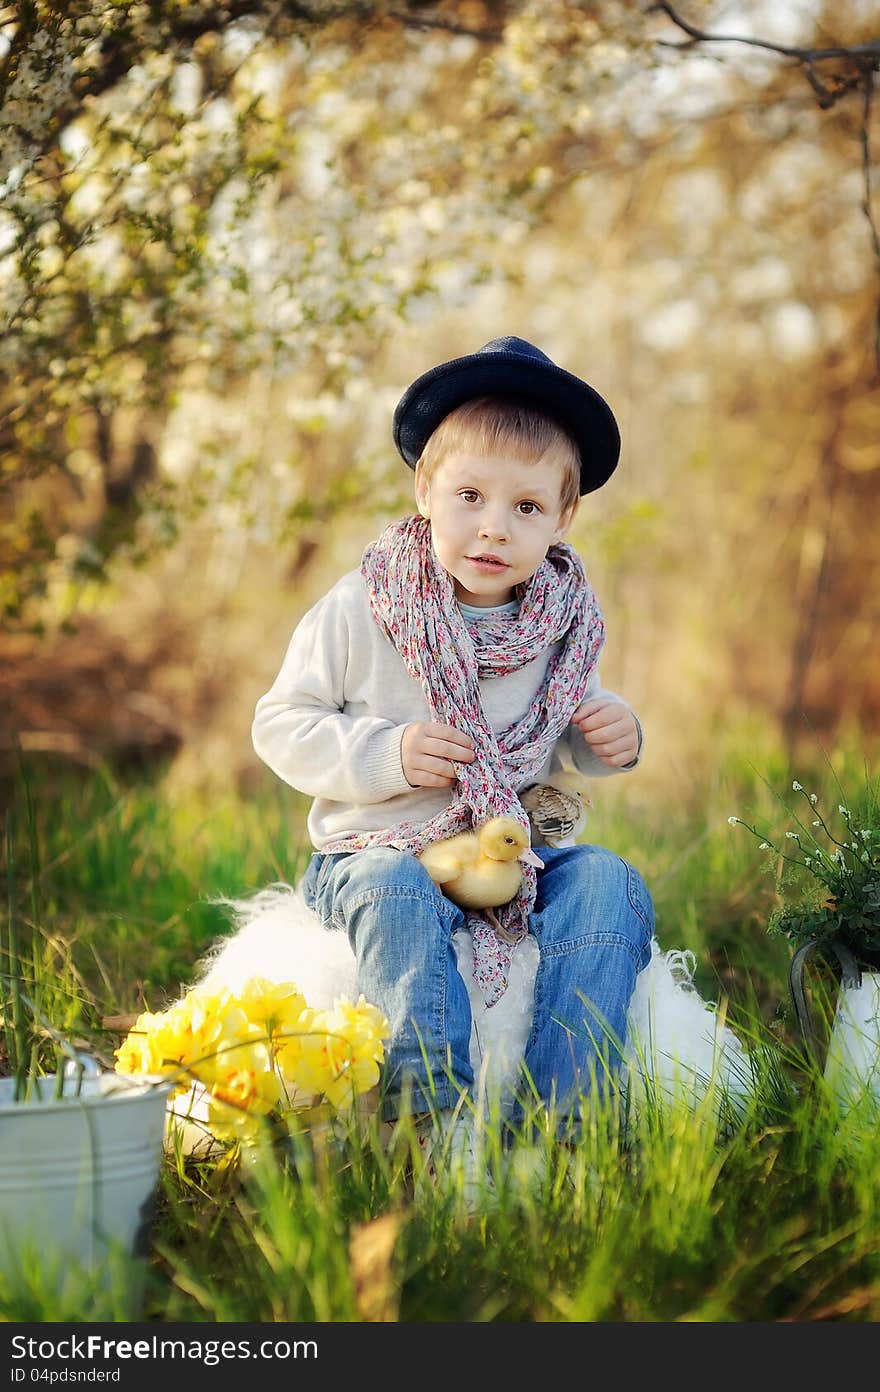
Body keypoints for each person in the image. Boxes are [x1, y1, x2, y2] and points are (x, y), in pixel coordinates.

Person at [251, 335, 655, 1201]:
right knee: (395, 888)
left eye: (525, 507)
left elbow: (564, 723)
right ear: (425, 493)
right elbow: (282, 724)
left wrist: (609, 733)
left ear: (562, 521)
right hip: (376, 849)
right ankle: (424, 1115)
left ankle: (564, 1124)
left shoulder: (560, 623)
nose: (492, 527)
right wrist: (383, 753)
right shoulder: (363, 605)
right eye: (469, 495)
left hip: (510, 860)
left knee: (610, 883)